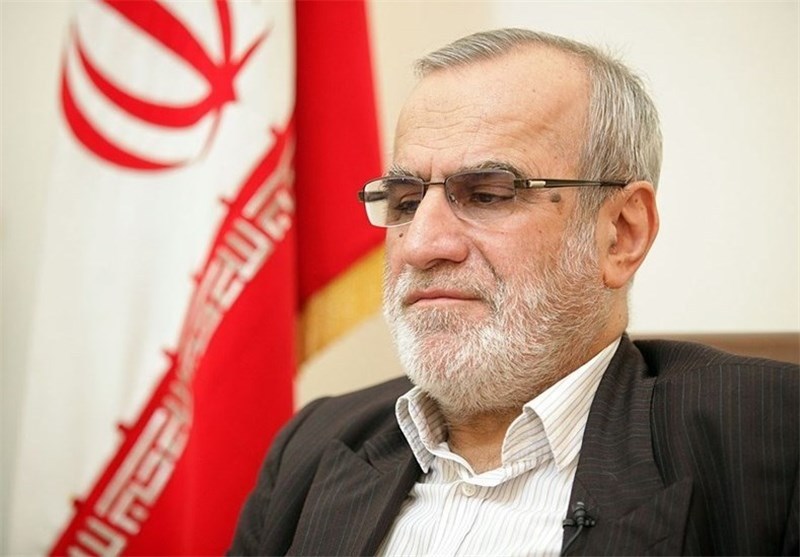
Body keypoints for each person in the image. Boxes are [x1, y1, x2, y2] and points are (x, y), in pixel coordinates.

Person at [229, 28, 798, 556]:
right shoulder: (313, 445)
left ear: (621, 234)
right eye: (405, 202)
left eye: (488, 195)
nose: (421, 245)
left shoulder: (772, 439)